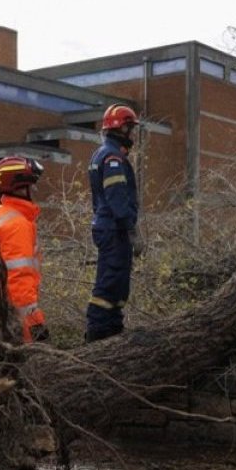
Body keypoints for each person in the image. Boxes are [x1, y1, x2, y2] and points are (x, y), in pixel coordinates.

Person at [0, 156, 50, 343]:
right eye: (31, 186)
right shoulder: (17, 224)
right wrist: (34, 325)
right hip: (12, 321)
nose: (33, 191)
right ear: (21, 187)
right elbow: (18, 282)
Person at [84, 104, 142, 342]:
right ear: (122, 128)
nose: (133, 134)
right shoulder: (113, 157)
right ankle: (98, 334)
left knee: (118, 284)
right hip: (114, 228)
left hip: (109, 227)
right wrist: (130, 227)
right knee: (110, 282)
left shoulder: (102, 153)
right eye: (131, 128)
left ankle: (112, 332)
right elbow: (116, 196)